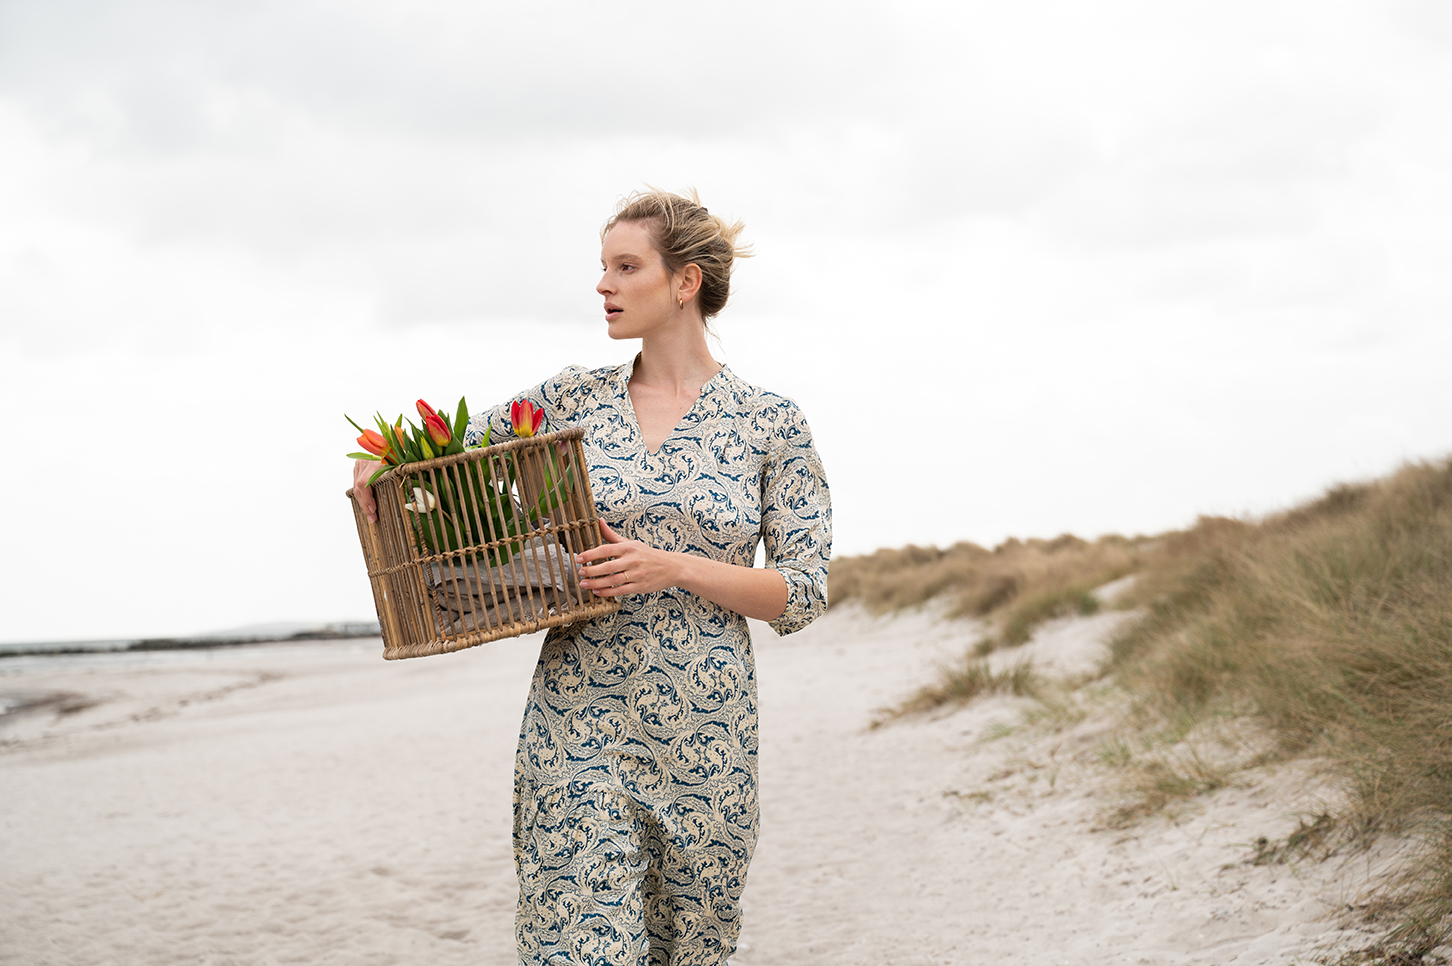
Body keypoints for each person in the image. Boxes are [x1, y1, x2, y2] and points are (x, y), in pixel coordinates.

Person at [351, 189, 831, 964]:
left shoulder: (769, 422)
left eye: (626, 267)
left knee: (689, 947)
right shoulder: (570, 398)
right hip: (576, 721)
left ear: (685, 282)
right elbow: (441, 451)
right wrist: (377, 461)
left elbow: (802, 593)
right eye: (603, 266)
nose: (603, 284)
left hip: (706, 734)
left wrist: (673, 566)